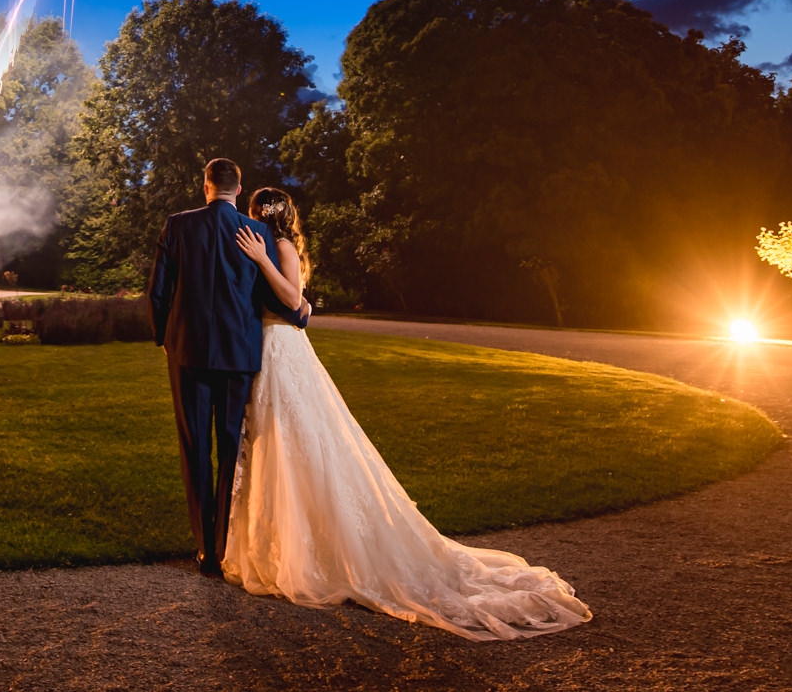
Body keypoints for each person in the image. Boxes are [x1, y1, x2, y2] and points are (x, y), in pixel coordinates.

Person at [223, 186, 593, 641]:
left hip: (284, 350)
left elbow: (295, 298)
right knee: (278, 445)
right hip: (267, 349)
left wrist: (263, 261)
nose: (251, 216)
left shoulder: (277, 246)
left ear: (268, 214)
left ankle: (326, 553)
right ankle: (284, 544)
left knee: (304, 443)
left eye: (256, 210)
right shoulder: (260, 242)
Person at [148, 157, 308, 578]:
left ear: (206, 186)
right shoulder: (257, 233)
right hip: (239, 355)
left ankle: (207, 552)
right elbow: (275, 299)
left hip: (189, 354)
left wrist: (165, 337)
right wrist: (302, 311)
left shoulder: (178, 225)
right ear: (238, 190)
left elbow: (158, 290)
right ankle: (225, 544)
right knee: (231, 450)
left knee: (196, 448)